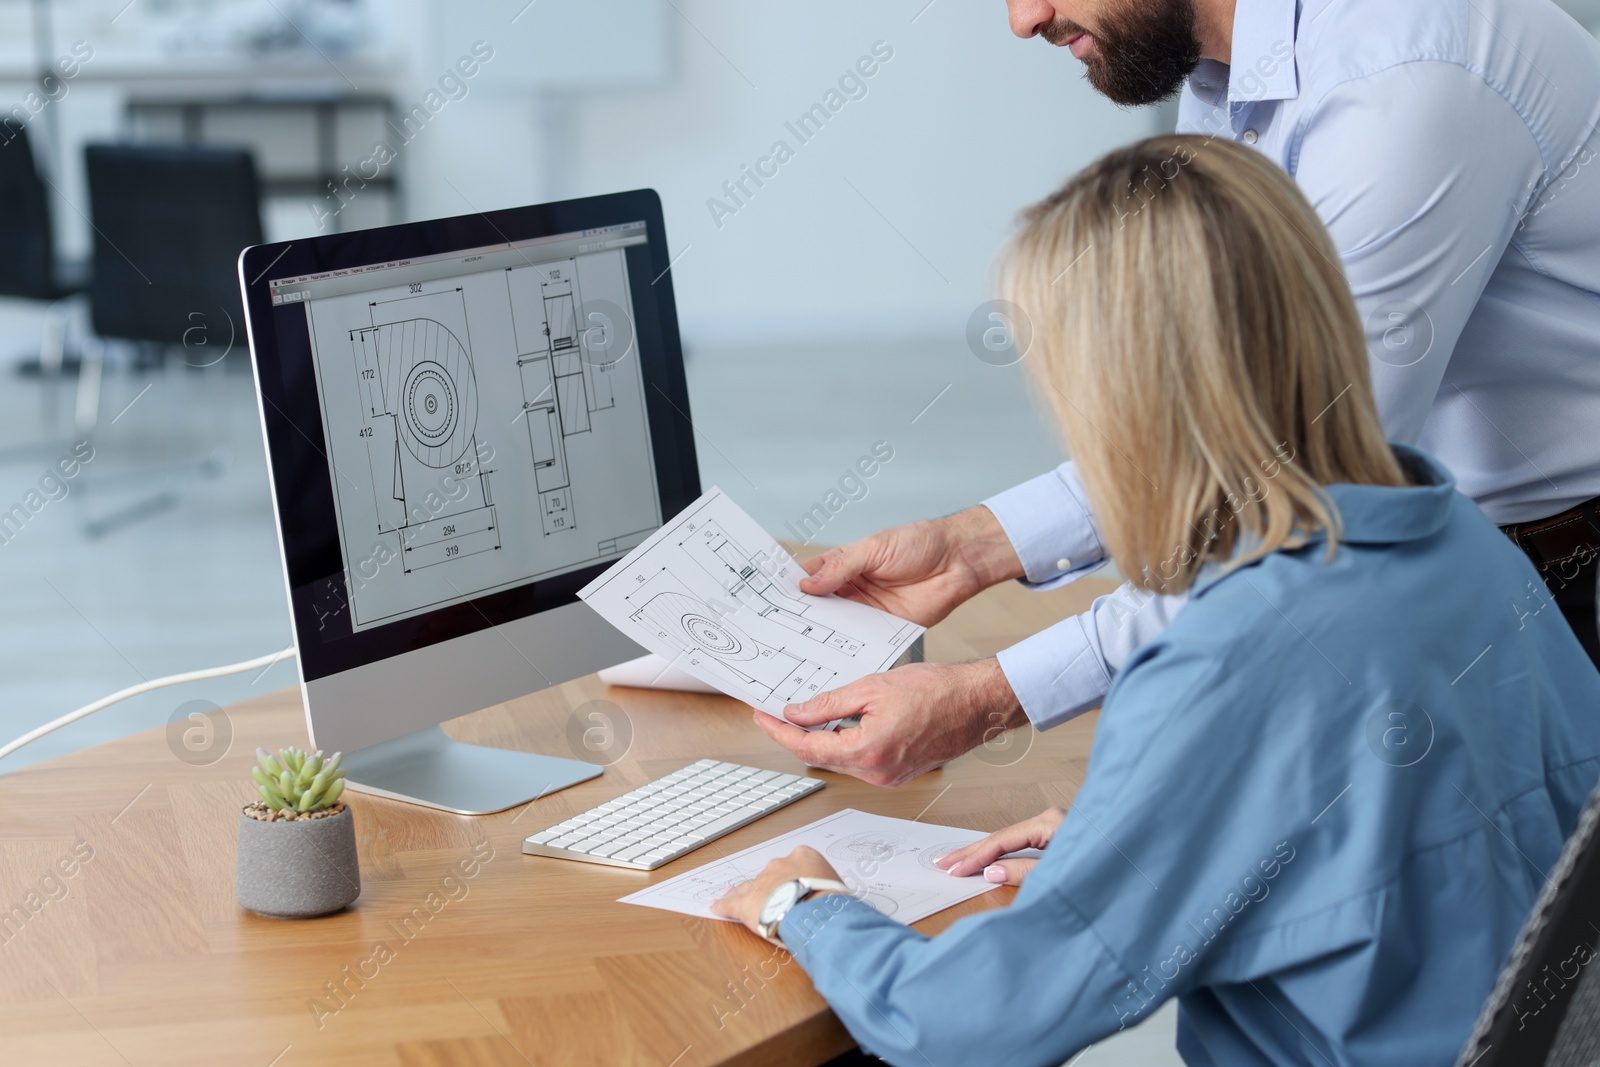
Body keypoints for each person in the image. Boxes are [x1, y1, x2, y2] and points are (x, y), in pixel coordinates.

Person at [713, 135, 1600, 1067]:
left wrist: (805, 909)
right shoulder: (1460, 541)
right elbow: (1448, 844)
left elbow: (965, 1029)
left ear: (1122, 402)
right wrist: (1148, 839)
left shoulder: (1231, 659)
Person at [755, 0, 1600, 786]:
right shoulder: (1227, 69)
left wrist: (992, 696)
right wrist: (974, 546)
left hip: (1562, 591)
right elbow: (1232, 417)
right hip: (1434, 574)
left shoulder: (1406, 86)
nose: (1024, 20)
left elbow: (1301, 497)